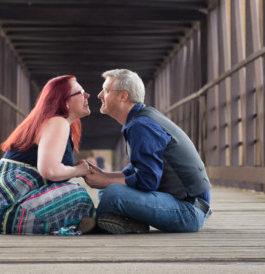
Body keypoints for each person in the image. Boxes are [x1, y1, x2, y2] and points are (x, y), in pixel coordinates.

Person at [84, 69, 212, 234]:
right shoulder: (142, 118)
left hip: (189, 211)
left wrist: (108, 182)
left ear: (123, 96)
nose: (100, 95)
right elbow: (135, 170)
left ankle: (95, 225)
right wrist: (106, 176)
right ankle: (127, 223)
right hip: (182, 204)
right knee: (106, 188)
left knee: (112, 193)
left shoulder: (141, 126)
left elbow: (148, 181)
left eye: (107, 91)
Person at [0, 75, 96, 235]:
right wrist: (78, 171)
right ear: (65, 101)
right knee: (78, 195)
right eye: (80, 92)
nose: (87, 95)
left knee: (73, 196)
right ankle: (83, 222)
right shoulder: (58, 122)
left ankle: (80, 222)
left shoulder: (49, 122)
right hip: (4, 208)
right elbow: (50, 171)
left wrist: (75, 169)